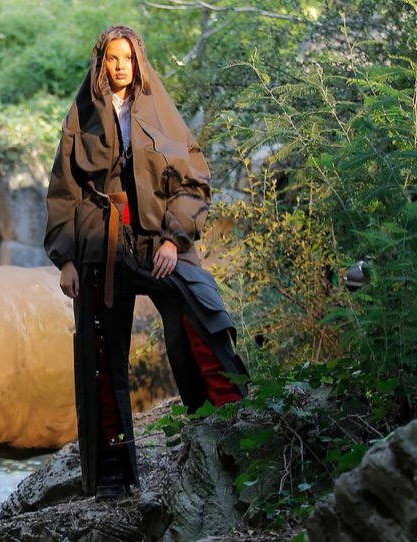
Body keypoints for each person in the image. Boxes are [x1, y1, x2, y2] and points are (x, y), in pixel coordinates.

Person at [44, 25, 249, 500]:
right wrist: (66, 259)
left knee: (203, 315)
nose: (120, 66)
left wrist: (174, 241)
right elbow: (64, 190)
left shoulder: (160, 110)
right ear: (101, 63)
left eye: (128, 58)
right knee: (100, 357)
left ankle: (228, 431)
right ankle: (113, 474)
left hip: (158, 239)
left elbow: (194, 182)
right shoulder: (81, 116)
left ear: (138, 61)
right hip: (101, 245)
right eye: (112, 58)